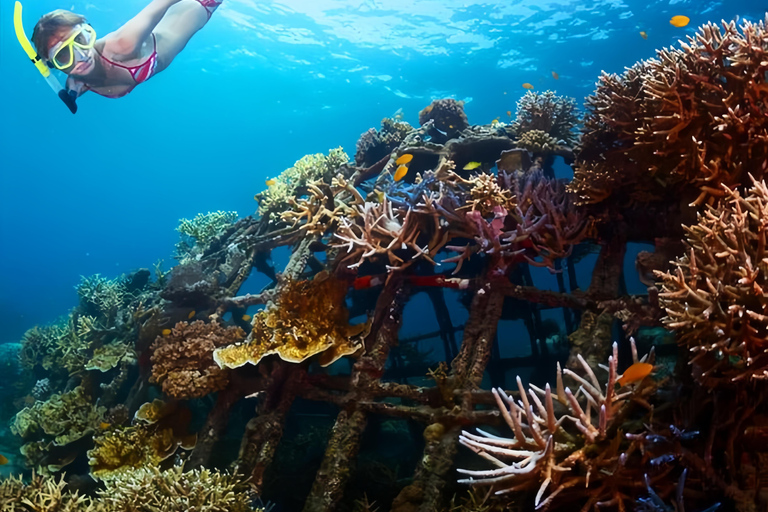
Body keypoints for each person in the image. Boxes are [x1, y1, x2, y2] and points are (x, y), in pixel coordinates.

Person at [31, 0, 222, 99]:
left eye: (81, 40)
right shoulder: (76, 81)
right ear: (54, 65)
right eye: (64, 55)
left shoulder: (122, 45)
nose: (82, 56)